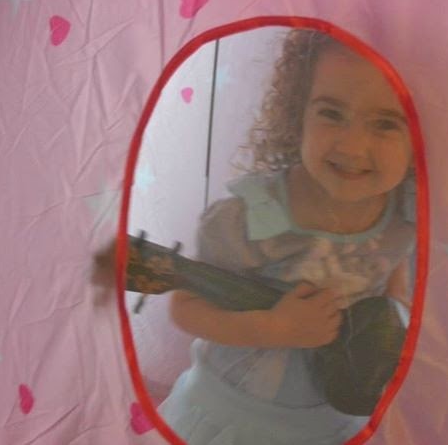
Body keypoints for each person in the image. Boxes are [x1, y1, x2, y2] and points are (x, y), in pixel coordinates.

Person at [97, 29, 416, 444]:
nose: (354, 146)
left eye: (386, 123)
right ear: (298, 115)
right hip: (231, 417)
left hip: (332, 427)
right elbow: (185, 307)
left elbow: (393, 288)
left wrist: (388, 329)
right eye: (331, 113)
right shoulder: (248, 219)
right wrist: (272, 328)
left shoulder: (403, 223)